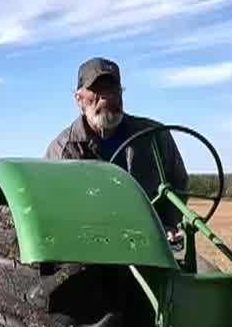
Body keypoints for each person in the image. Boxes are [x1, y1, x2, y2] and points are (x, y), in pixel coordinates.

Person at [45, 57, 189, 234]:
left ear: (121, 92)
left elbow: (178, 182)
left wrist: (168, 225)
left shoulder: (155, 136)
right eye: (96, 89)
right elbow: (54, 207)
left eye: (112, 88)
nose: (106, 96)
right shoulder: (63, 151)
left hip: (150, 238)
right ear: (79, 99)